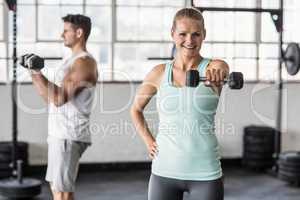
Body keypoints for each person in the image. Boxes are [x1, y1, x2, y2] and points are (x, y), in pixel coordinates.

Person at [130, 8, 229, 200]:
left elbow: (222, 68)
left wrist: (219, 74)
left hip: (205, 171)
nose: (189, 40)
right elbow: (135, 109)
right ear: (172, 34)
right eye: (183, 34)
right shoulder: (158, 73)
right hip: (164, 171)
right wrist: (149, 141)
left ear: (204, 35)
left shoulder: (212, 68)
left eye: (196, 34)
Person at [29, 14, 98, 200]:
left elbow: (59, 98)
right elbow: (50, 99)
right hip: (59, 134)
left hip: (69, 135)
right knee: (56, 189)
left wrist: (36, 72)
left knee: (63, 193)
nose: (62, 34)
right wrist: (34, 72)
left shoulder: (84, 63)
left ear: (79, 32)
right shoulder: (71, 61)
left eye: (66, 30)